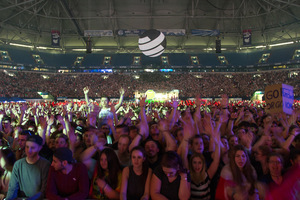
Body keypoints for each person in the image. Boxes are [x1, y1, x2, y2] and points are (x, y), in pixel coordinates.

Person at [5, 135, 50, 200]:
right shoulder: (18, 164)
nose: (29, 150)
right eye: (27, 147)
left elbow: (43, 190)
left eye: (33, 148)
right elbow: (13, 188)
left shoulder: (45, 164)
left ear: (40, 148)